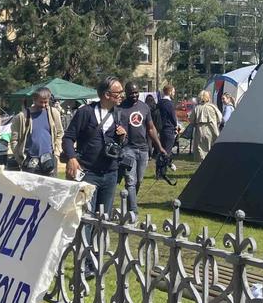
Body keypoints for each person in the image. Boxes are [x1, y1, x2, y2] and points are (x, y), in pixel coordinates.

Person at [64, 78, 129, 216]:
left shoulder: (119, 114)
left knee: (104, 218)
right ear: (107, 95)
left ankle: (99, 239)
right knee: (86, 217)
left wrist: (123, 137)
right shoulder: (85, 112)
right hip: (88, 173)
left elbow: (122, 144)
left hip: (110, 173)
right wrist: (72, 158)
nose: (122, 96)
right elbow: (68, 138)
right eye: (119, 92)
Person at [117, 83, 164, 213]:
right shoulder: (119, 109)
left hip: (143, 149)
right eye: (131, 93)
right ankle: (133, 212)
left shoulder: (144, 107)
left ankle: (127, 205)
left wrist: (159, 147)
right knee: (131, 182)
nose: (134, 95)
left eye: (136, 92)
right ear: (126, 93)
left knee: (139, 181)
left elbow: (151, 128)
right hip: (128, 149)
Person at [10, 87, 64, 175]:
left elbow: (60, 133)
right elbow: (14, 140)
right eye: (41, 102)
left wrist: (56, 154)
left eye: (46, 102)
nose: (43, 105)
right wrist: (20, 159)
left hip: (49, 161)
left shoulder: (53, 113)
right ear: (34, 100)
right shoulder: (22, 116)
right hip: (30, 162)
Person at [191, 90, 221, 161]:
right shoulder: (213, 107)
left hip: (200, 132)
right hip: (213, 132)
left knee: (201, 151)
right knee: (212, 150)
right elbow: (220, 118)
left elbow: (192, 120)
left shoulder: (196, 108)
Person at [155, 84, 178, 170]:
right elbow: (173, 117)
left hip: (161, 129)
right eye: (173, 91)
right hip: (169, 129)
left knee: (161, 150)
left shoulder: (159, 103)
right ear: (170, 92)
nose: (174, 93)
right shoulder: (169, 104)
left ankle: (159, 169)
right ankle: (162, 171)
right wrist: (176, 125)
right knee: (167, 151)